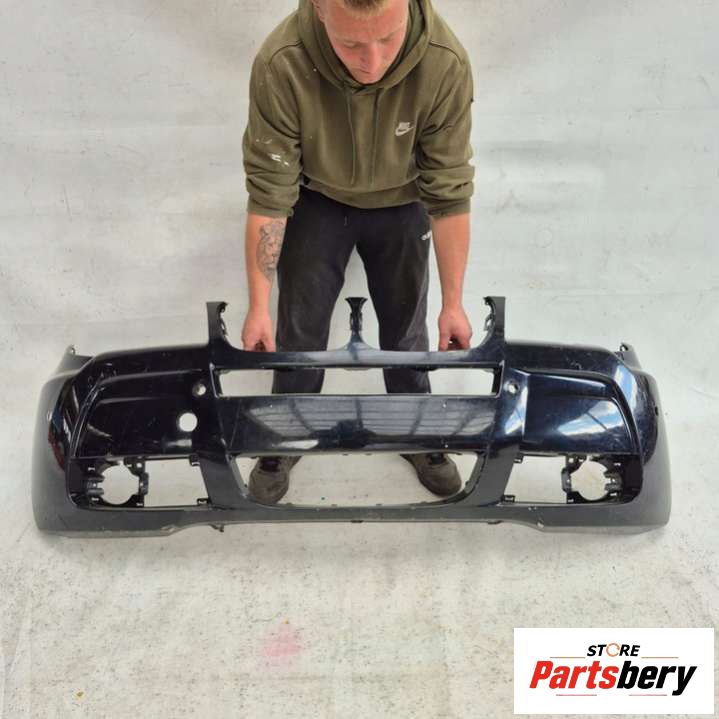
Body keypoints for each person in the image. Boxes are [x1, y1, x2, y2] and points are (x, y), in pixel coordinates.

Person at [241, 0, 475, 503]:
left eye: (388, 38)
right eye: (351, 44)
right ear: (321, 9)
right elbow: (269, 193)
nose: (373, 62)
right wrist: (258, 305)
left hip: (403, 202)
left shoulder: (444, 61)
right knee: (299, 328)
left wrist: (454, 303)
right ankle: (284, 437)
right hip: (317, 201)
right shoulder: (282, 62)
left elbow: (450, 190)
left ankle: (418, 433)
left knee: (407, 329)